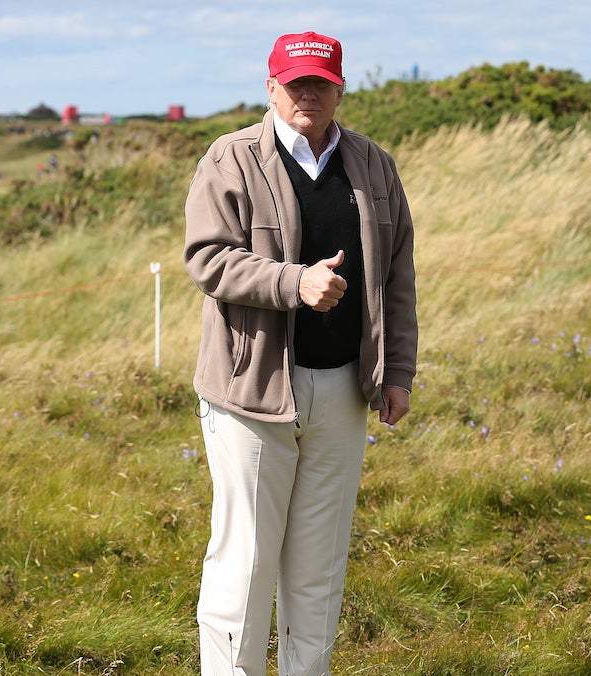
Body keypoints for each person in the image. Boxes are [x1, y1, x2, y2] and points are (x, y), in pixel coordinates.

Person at [183, 30, 418, 676]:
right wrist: (295, 282)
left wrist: (396, 371)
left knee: (318, 572)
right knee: (245, 568)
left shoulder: (374, 166)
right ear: (270, 88)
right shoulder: (229, 160)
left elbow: (397, 275)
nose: (307, 94)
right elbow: (207, 260)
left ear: (340, 88)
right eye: (294, 83)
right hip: (251, 397)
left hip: (344, 393)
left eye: (320, 82)